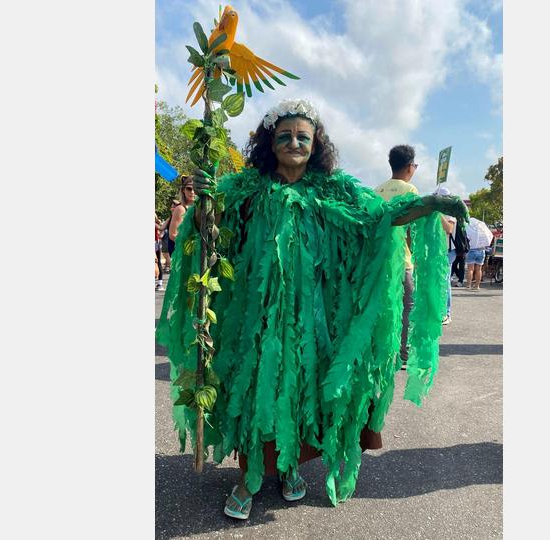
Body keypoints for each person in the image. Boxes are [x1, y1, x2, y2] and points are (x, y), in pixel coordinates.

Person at [156, 99, 468, 520]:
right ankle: (248, 477)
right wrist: (204, 202)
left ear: (316, 142)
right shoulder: (246, 188)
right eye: (284, 136)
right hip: (257, 319)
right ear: (270, 141)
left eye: (303, 136)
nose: (294, 142)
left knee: (303, 390)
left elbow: (382, 216)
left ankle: (287, 470)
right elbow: (209, 225)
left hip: (314, 321)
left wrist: (430, 204)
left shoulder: (334, 189)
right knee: (253, 390)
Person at [374, 145, 420, 366]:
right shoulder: (409, 190)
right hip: (401, 260)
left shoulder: (377, 190)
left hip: (379, 260)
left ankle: (379, 351)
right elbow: (411, 228)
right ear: (410, 166)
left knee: (382, 305)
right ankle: (402, 353)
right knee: (407, 306)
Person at [160, 175, 195, 273]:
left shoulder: (199, 208)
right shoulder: (181, 209)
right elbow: (173, 235)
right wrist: (193, 245)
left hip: (196, 255)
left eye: (195, 188)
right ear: (183, 190)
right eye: (189, 188)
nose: (192, 192)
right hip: (183, 254)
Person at [434, 186, 456, 324]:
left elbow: (449, 229)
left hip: (448, 251)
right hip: (437, 250)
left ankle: (446, 313)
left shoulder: (450, 212)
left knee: (444, 281)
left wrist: (437, 213)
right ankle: (437, 310)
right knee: (436, 281)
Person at [464, 216, 493, 290]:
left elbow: (466, 238)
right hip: (481, 250)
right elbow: (490, 236)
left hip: (472, 250)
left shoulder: (469, 227)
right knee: (479, 269)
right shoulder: (482, 227)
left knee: (470, 269)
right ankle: (477, 286)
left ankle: (468, 285)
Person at [155, 213, 165, 292]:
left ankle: (160, 283)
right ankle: (160, 283)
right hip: (156, 243)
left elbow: (162, 231)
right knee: (158, 263)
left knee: (157, 263)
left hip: (155, 243)